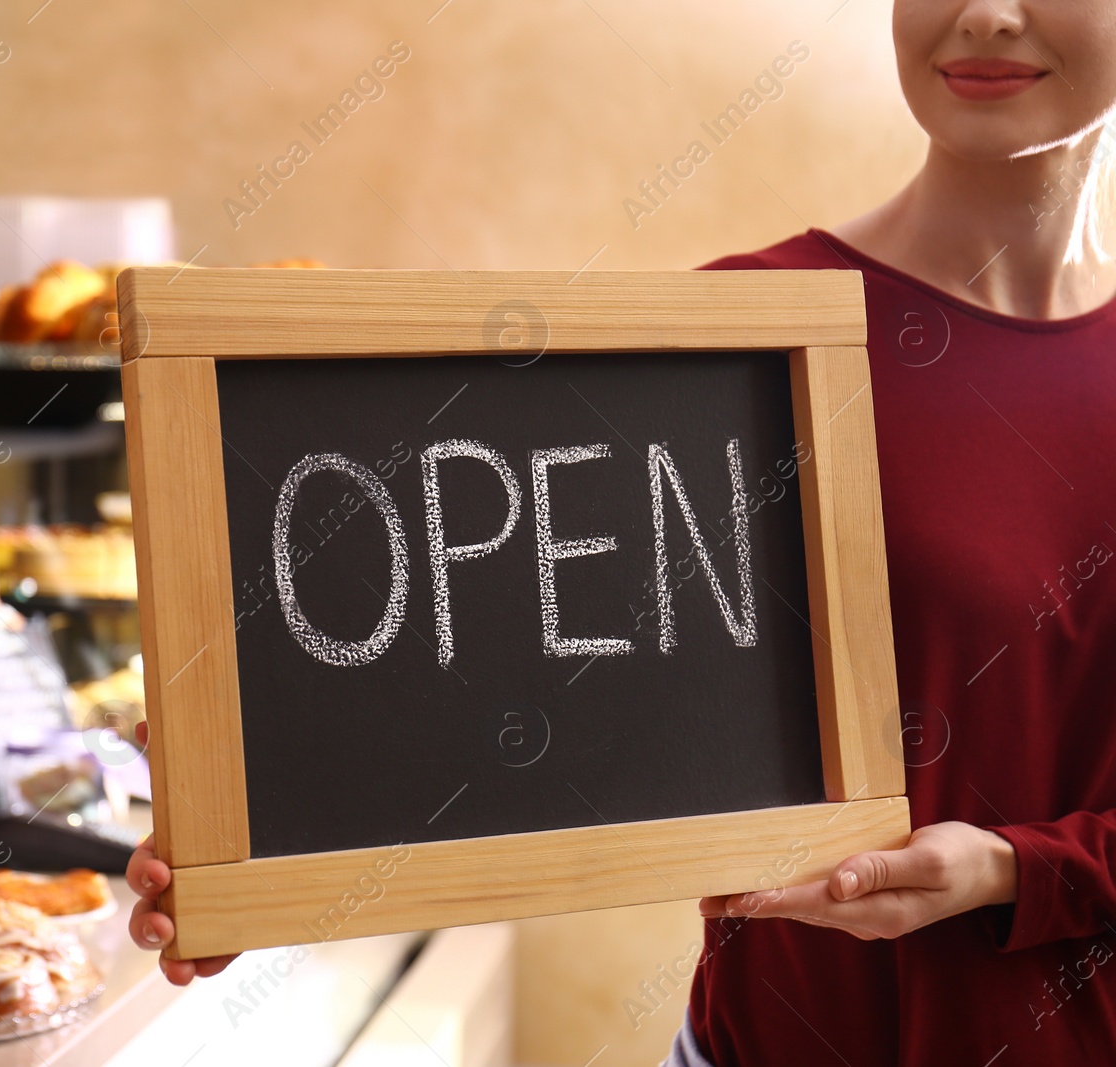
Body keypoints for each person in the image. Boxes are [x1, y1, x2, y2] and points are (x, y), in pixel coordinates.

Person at [130, 0, 1116, 1059]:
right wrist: (273, 802)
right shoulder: (737, 344)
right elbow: (540, 689)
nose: (984, 14)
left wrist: (1018, 869)